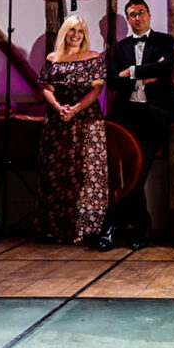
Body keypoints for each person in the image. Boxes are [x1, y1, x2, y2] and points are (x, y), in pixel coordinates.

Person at [103, 0, 174, 250]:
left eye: (140, 13)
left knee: (138, 172)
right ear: (128, 20)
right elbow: (113, 82)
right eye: (131, 15)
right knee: (129, 174)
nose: (137, 18)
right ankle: (140, 226)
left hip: (154, 117)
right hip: (126, 117)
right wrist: (145, 73)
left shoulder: (163, 41)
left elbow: (166, 68)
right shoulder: (121, 47)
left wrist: (132, 72)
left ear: (149, 15)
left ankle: (113, 225)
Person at [37, 15, 107, 244]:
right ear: (64, 33)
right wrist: (59, 108)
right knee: (57, 175)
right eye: (72, 30)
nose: (76, 35)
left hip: (87, 121)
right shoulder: (52, 58)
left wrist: (75, 109)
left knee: (86, 175)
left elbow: (96, 89)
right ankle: (57, 230)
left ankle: (86, 229)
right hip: (58, 122)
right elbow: (46, 88)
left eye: (80, 31)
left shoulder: (93, 57)